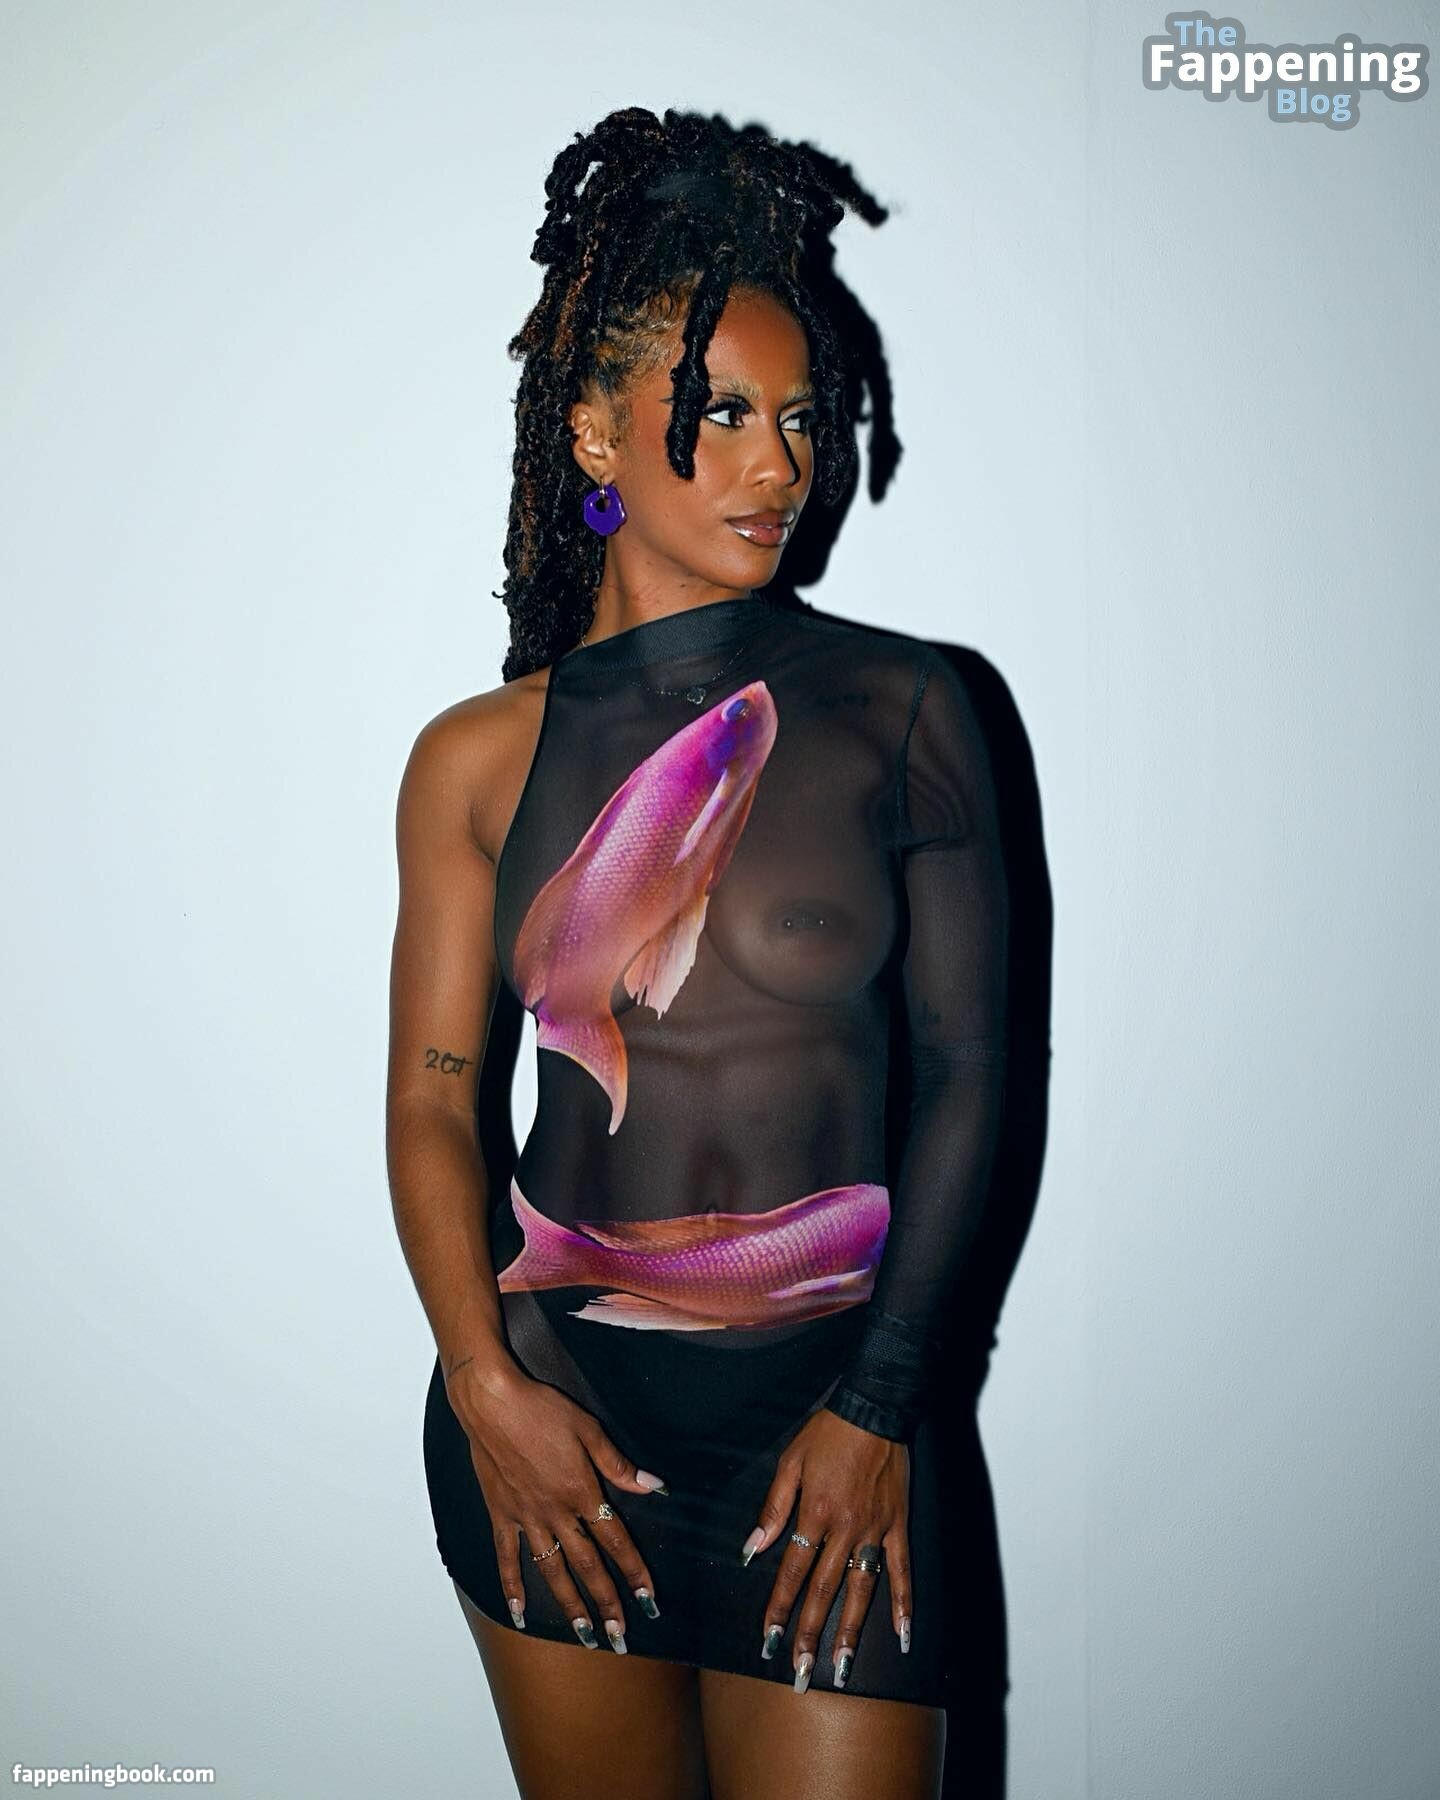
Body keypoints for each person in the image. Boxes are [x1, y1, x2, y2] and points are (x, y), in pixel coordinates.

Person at [387, 104, 1010, 1800]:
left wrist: (882, 1409)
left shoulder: (908, 709)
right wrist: (484, 1385)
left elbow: (973, 1081)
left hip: (842, 1414)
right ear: (598, 432)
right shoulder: (476, 759)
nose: (778, 467)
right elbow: (436, 1100)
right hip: (556, 1408)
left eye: (801, 419)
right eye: (722, 413)